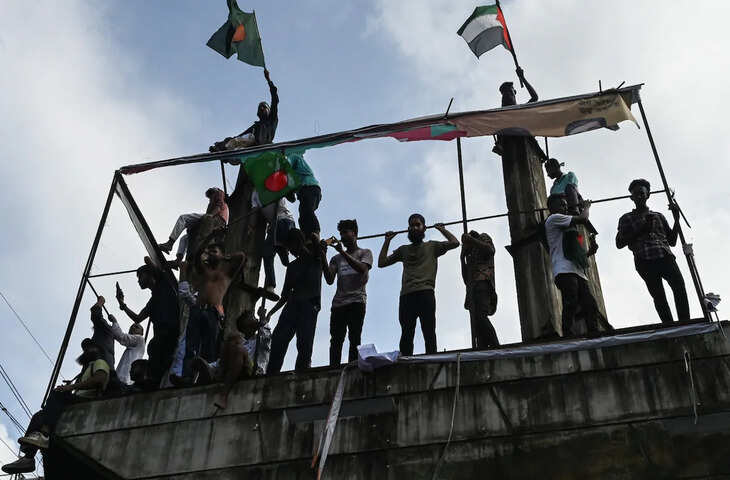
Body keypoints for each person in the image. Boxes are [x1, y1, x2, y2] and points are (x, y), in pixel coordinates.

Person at [1, 338, 110, 475]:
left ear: (97, 350)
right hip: (78, 402)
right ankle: (28, 458)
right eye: (85, 349)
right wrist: (70, 386)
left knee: (57, 393)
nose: (87, 351)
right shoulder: (88, 368)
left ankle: (44, 434)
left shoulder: (100, 362)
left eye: (90, 348)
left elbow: (99, 379)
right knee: (39, 416)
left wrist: (70, 387)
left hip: (87, 403)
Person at [378, 214, 460, 355]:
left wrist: (442, 229)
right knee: (406, 333)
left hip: (425, 292)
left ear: (424, 228)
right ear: (408, 228)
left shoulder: (432, 246)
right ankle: (406, 361)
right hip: (407, 295)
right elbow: (381, 262)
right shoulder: (403, 250)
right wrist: (387, 241)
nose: (414, 228)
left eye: (417, 225)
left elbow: (455, 243)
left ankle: (432, 359)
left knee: (429, 331)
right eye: (412, 225)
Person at [616, 179, 689, 323]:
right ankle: (669, 325)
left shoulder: (658, 216)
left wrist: (676, 220)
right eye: (636, 194)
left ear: (648, 195)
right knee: (659, 295)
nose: (639, 196)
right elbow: (619, 243)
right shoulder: (626, 218)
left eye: (642, 193)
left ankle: (685, 322)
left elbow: (672, 241)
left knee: (679, 287)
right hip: (644, 260)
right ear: (631, 197)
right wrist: (642, 229)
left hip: (665, 256)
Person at [265, 229, 328, 373]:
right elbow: (285, 296)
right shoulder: (292, 267)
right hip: (292, 306)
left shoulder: (316, 258)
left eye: (291, 246)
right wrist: (271, 313)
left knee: (304, 344)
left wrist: (316, 241)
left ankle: (302, 373)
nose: (290, 251)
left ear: (298, 242)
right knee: (278, 340)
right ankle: (271, 374)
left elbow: (315, 239)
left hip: (309, 306)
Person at [181, 244, 246, 381]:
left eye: (214, 251)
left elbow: (241, 257)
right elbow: (198, 256)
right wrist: (207, 246)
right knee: (191, 346)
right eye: (209, 252)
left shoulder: (227, 273)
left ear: (222, 254)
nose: (210, 254)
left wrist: (223, 257)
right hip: (198, 309)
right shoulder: (205, 271)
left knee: (209, 348)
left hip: (213, 312)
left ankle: (205, 379)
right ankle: (187, 376)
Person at [545, 194, 605, 336]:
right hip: (563, 269)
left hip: (577, 271)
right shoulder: (554, 219)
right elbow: (583, 219)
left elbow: (577, 254)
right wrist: (586, 207)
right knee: (570, 300)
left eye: (566, 205)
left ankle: (594, 333)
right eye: (561, 204)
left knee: (590, 304)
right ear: (552, 207)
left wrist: (590, 252)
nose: (565, 207)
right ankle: (567, 333)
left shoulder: (572, 229)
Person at [117, 258, 180, 386]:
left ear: (150, 274)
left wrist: (153, 265)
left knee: (155, 351)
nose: (138, 281)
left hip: (169, 332)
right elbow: (138, 318)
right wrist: (122, 304)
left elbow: (149, 261)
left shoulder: (163, 284)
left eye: (140, 276)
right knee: (154, 353)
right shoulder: (152, 301)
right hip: (160, 335)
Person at [322, 219, 373, 366]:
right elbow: (329, 279)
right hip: (339, 303)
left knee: (354, 338)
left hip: (357, 301)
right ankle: (333, 368)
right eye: (341, 234)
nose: (343, 237)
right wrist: (322, 255)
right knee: (336, 340)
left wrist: (342, 252)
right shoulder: (336, 259)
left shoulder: (365, 252)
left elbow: (362, 269)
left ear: (354, 233)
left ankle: (353, 367)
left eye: (345, 233)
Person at [210, 69, 279, 151]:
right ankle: (223, 150)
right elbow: (240, 136)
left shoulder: (272, 120)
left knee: (249, 137)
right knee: (234, 141)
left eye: (263, 107)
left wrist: (268, 80)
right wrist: (225, 142)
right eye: (260, 108)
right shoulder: (256, 126)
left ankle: (226, 148)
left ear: (269, 110)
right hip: (252, 147)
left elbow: (275, 99)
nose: (261, 109)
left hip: (263, 144)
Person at [158, 187, 229, 261]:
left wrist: (209, 216)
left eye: (210, 196)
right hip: (213, 219)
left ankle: (170, 243)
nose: (209, 198)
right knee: (184, 238)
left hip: (216, 218)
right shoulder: (213, 200)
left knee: (183, 218)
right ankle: (178, 259)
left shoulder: (218, 193)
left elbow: (218, 207)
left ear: (213, 192)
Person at [460, 230, 499, 349]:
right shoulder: (470, 254)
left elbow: (490, 250)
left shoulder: (483, 238)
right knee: (476, 324)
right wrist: (462, 258)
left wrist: (471, 240)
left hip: (483, 284)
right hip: (472, 290)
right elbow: (466, 279)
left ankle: (495, 346)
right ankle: (483, 347)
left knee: (480, 316)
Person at [253, 191, 296, 294]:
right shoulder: (255, 194)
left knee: (267, 253)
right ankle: (281, 247)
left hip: (281, 221)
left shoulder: (273, 185)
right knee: (273, 251)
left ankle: (270, 285)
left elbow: (292, 198)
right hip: (280, 223)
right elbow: (254, 210)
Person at [289, 153, 321, 239]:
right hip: (307, 191)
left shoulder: (294, 156)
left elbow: (286, 165)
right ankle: (307, 236)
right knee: (303, 215)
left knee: (307, 211)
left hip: (309, 187)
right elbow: (292, 198)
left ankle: (315, 232)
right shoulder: (294, 175)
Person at [109, 312, 145, 385]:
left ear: (141, 333)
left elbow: (121, 337)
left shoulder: (140, 339)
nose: (133, 328)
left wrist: (114, 322)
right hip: (124, 379)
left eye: (136, 327)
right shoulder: (136, 345)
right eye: (132, 327)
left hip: (124, 379)